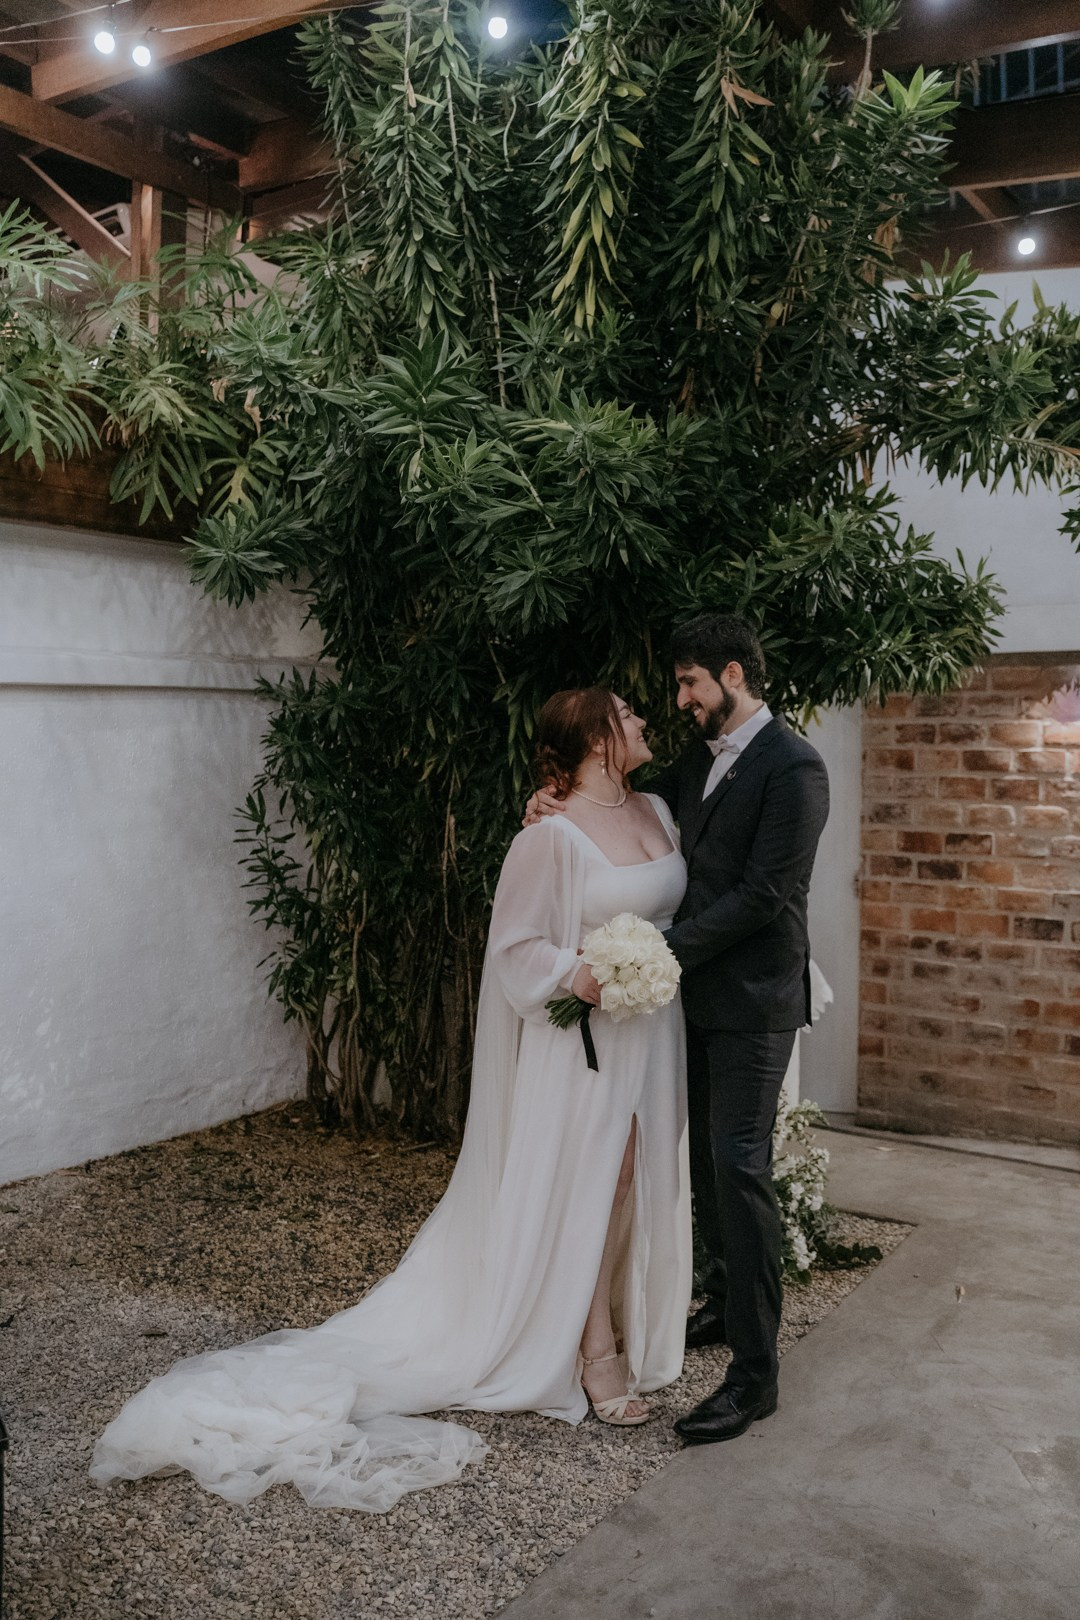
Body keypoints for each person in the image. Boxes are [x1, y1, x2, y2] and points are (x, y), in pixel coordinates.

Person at [90, 688, 691, 1513]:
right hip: (584, 1040)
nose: (644, 720)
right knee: (594, 1181)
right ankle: (593, 1350)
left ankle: (616, 1314)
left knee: (634, 1178)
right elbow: (513, 948)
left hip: (653, 1032)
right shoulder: (548, 837)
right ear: (593, 738)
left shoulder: (659, 807)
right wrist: (578, 974)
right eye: (626, 715)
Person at [528, 615, 829, 1444]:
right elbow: (620, 803)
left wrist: (652, 952)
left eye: (690, 683)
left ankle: (756, 1376)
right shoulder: (699, 760)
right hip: (685, 1001)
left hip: (754, 1003)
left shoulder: (795, 766)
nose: (681, 700)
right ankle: (723, 1304)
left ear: (731, 674)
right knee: (699, 1163)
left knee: (739, 1166)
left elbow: (764, 894)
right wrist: (553, 799)